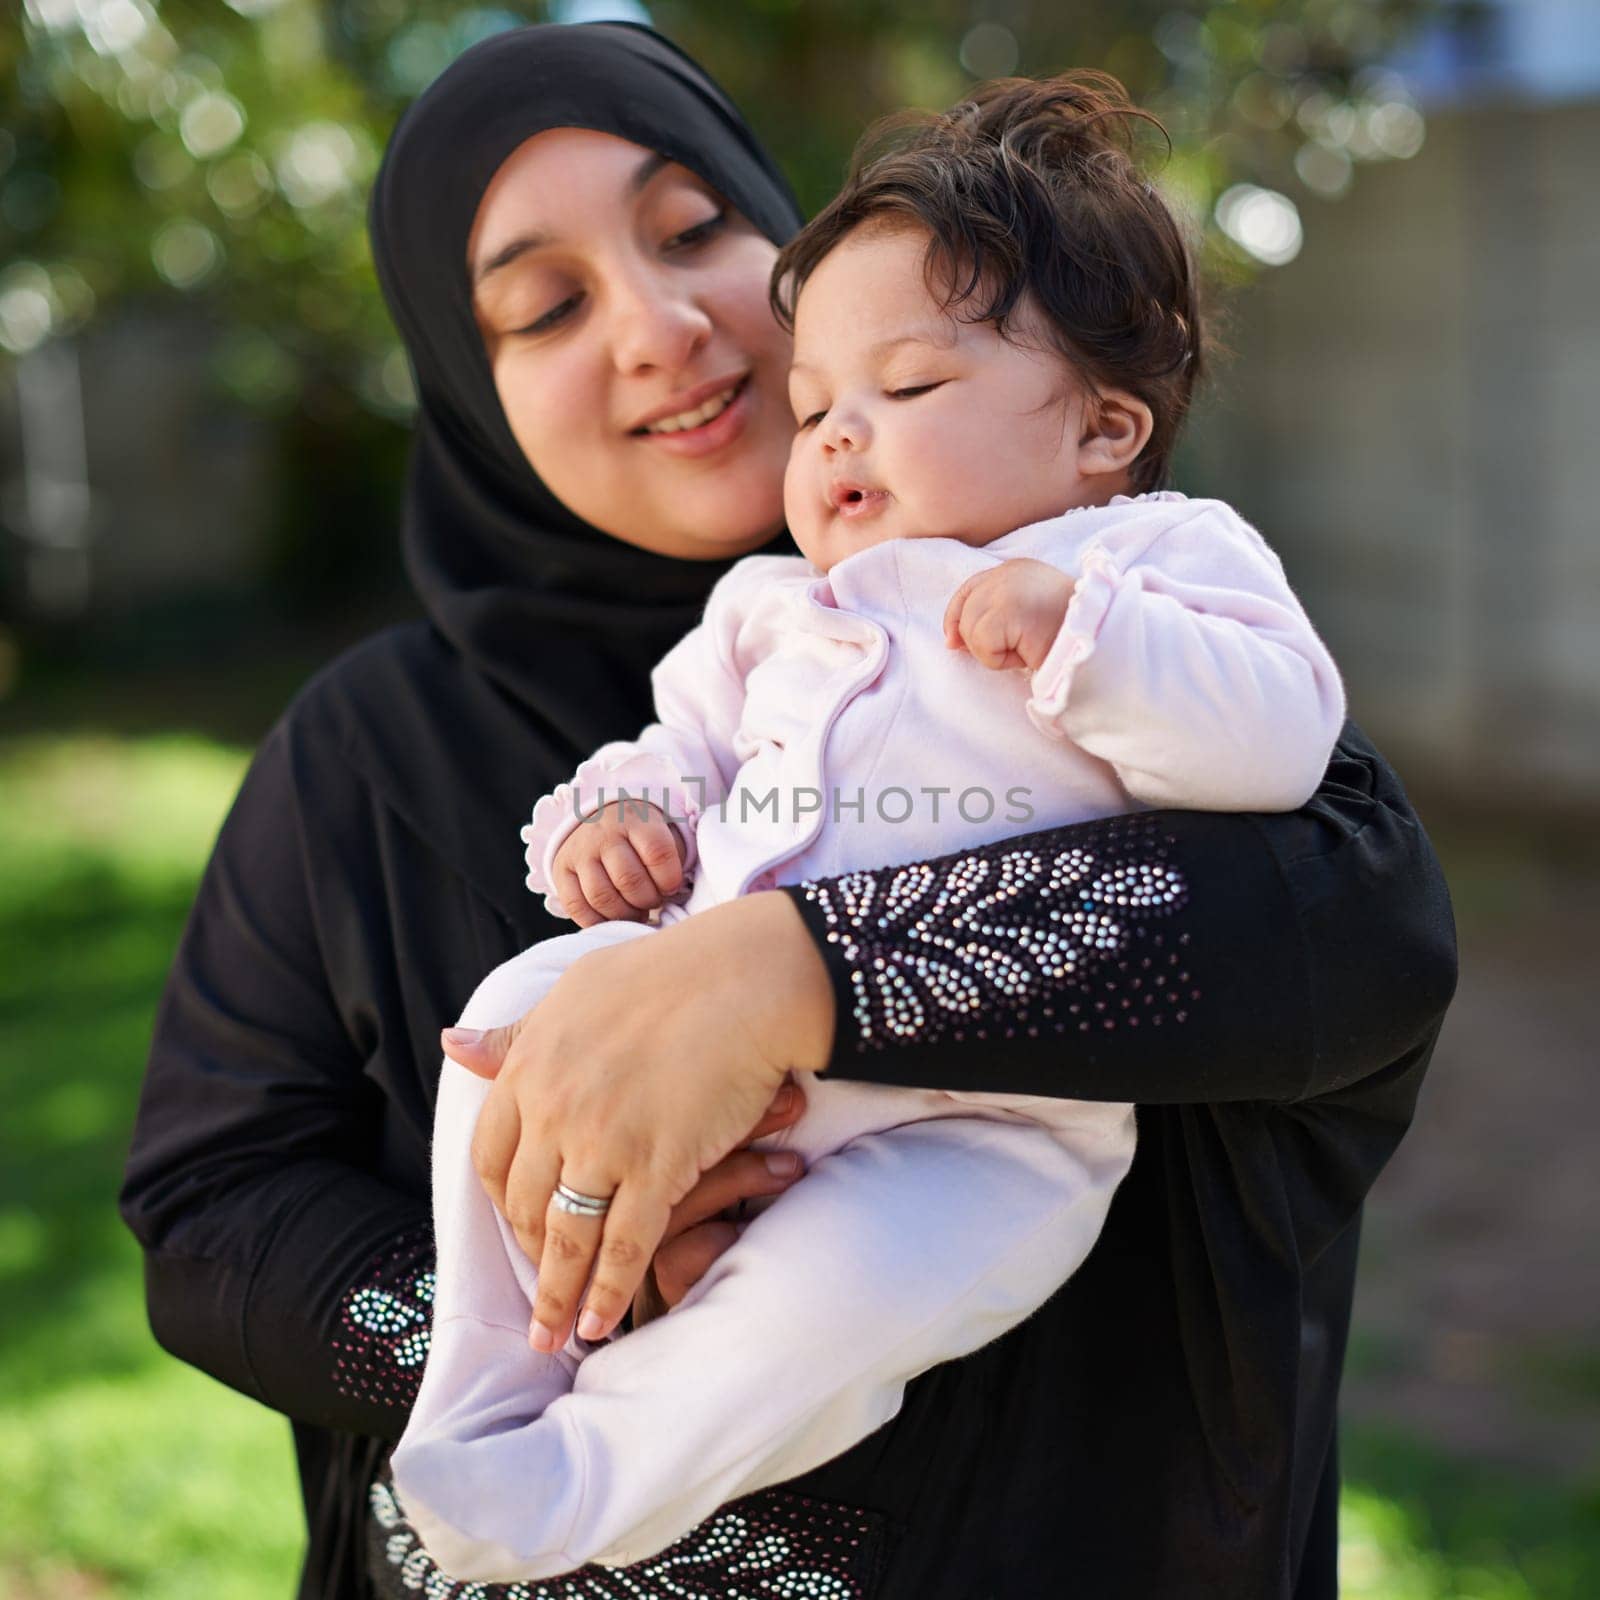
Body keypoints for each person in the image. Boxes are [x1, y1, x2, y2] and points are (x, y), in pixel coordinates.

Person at [117, 22, 1456, 1600]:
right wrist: (576, 1303)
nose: (662, 324)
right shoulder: (371, 753)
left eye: (696, 231)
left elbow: (1350, 944)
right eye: (544, 306)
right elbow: (214, 1213)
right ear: (469, 391)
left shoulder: (1124, 623)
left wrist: (789, 971)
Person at [389, 72, 1349, 1581]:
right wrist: (625, 814)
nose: (837, 442)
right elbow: (677, 748)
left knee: (825, 1309)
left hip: (988, 1121)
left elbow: (1286, 741)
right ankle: (491, 1384)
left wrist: (1087, 631)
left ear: (1103, 428)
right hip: (693, 1046)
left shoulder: (1153, 557)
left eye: (901, 395)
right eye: (819, 407)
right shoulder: (770, 606)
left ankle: (584, 1479)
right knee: (514, 1016)